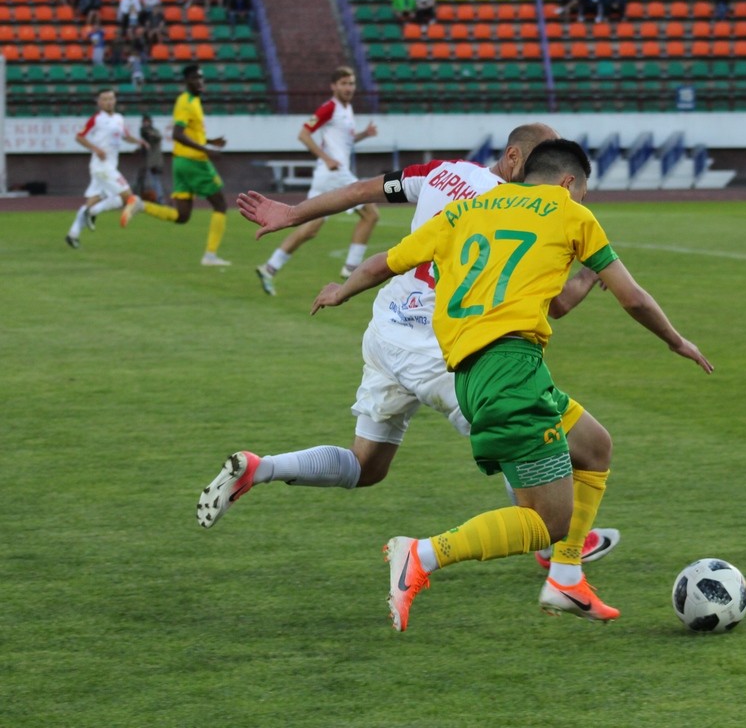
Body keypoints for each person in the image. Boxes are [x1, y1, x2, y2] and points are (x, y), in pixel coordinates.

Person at [199, 125, 625, 597]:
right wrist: (591, 274)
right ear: (513, 158)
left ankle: (261, 467)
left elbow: (361, 191)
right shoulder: (519, 208)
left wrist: (293, 212)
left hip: (387, 333)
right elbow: (557, 304)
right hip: (450, 352)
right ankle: (556, 546)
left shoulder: (442, 173)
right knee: (529, 438)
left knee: (366, 465)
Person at [305, 139, 713, 631]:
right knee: (548, 522)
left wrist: (341, 290)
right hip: (510, 368)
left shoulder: (468, 209)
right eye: (582, 192)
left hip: (470, 369)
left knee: (594, 447)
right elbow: (634, 298)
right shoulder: (570, 213)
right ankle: (422, 554)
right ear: (568, 182)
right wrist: (675, 340)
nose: (581, 201)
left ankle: (566, 578)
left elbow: (382, 264)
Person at [254, 68, 380, 295]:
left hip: (328, 175)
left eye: (351, 83)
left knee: (310, 227)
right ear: (334, 86)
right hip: (335, 173)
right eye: (344, 83)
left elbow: (345, 141)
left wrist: (364, 134)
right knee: (371, 214)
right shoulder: (329, 107)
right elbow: (303, 134)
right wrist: (327, 158)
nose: (349, 88)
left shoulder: (346, 109)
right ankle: (351, 268)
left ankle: (269, 268)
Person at [120, 64, 233, 266]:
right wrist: (205, 149)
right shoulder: (186, 102)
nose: (200, 82)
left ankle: (140, 205)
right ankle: (210, 256)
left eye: (201, 78)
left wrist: (210, 141)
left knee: (182, 216)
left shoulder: (193, 101)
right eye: (196, 78)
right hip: (194, 162)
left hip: (181, 162)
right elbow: (177, 134)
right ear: (187, 81)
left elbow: (190, 133)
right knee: (221, 205)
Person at [65, 88, 149, 249]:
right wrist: (96, 149)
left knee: (92, 201)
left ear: (115, 100)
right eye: (105, 99)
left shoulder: (119, 118)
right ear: (99, 102)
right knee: (127, 197)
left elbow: (125, 136)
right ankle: (92, 212)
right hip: (102, 166)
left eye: (111, 98)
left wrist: (139, 142)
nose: (108, 102)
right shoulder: (96, 119)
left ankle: (73, 234)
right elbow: (79, 137)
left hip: (109, 166)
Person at [136, 114, 166, 204]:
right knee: (148, 180)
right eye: (144, 122)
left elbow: (158, 137)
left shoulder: (154, 132)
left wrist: (150, 133)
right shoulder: (144, 133)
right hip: (147, 162)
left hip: (154, 162)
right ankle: (154, 198)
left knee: (155, 180)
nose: (145, 124)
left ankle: (159, 199)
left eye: (147, 122)